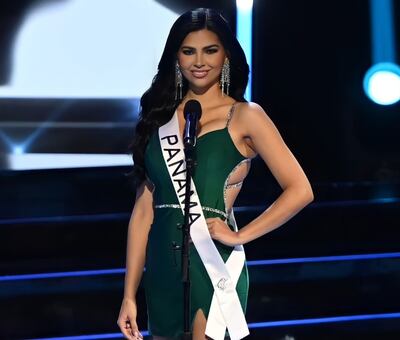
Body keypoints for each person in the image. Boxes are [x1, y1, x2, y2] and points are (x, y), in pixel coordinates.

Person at [117, 8, 314, 340]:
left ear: (226, 55)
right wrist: (128, 294)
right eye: (188, 50)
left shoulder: (246, 115)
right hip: (162, 267)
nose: (199, 61)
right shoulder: (158, 118)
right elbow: (143, 212)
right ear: (175, 57)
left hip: (213, 264)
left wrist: (240, 235)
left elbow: (300, 190)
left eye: (210, 50)